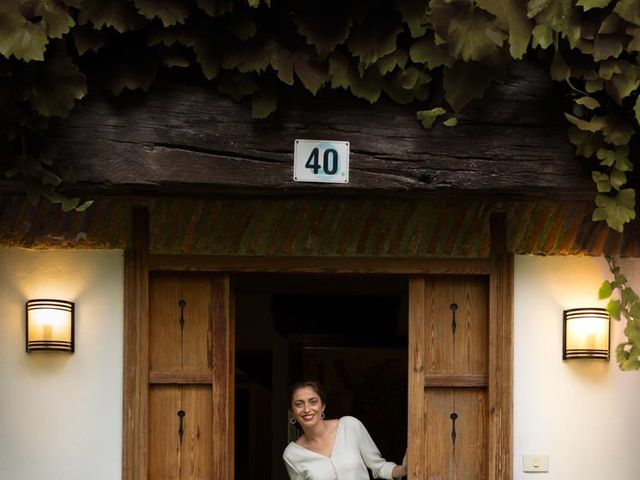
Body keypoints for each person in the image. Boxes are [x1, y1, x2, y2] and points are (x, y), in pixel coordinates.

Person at [283, 380, 407, 480]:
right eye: (299, 404)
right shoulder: (292, 454)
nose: (306, 409)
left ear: (323, 406)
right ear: (292, 413)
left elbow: (379, 467)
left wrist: (404, 469)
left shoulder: (349, 426)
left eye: (313, 402)